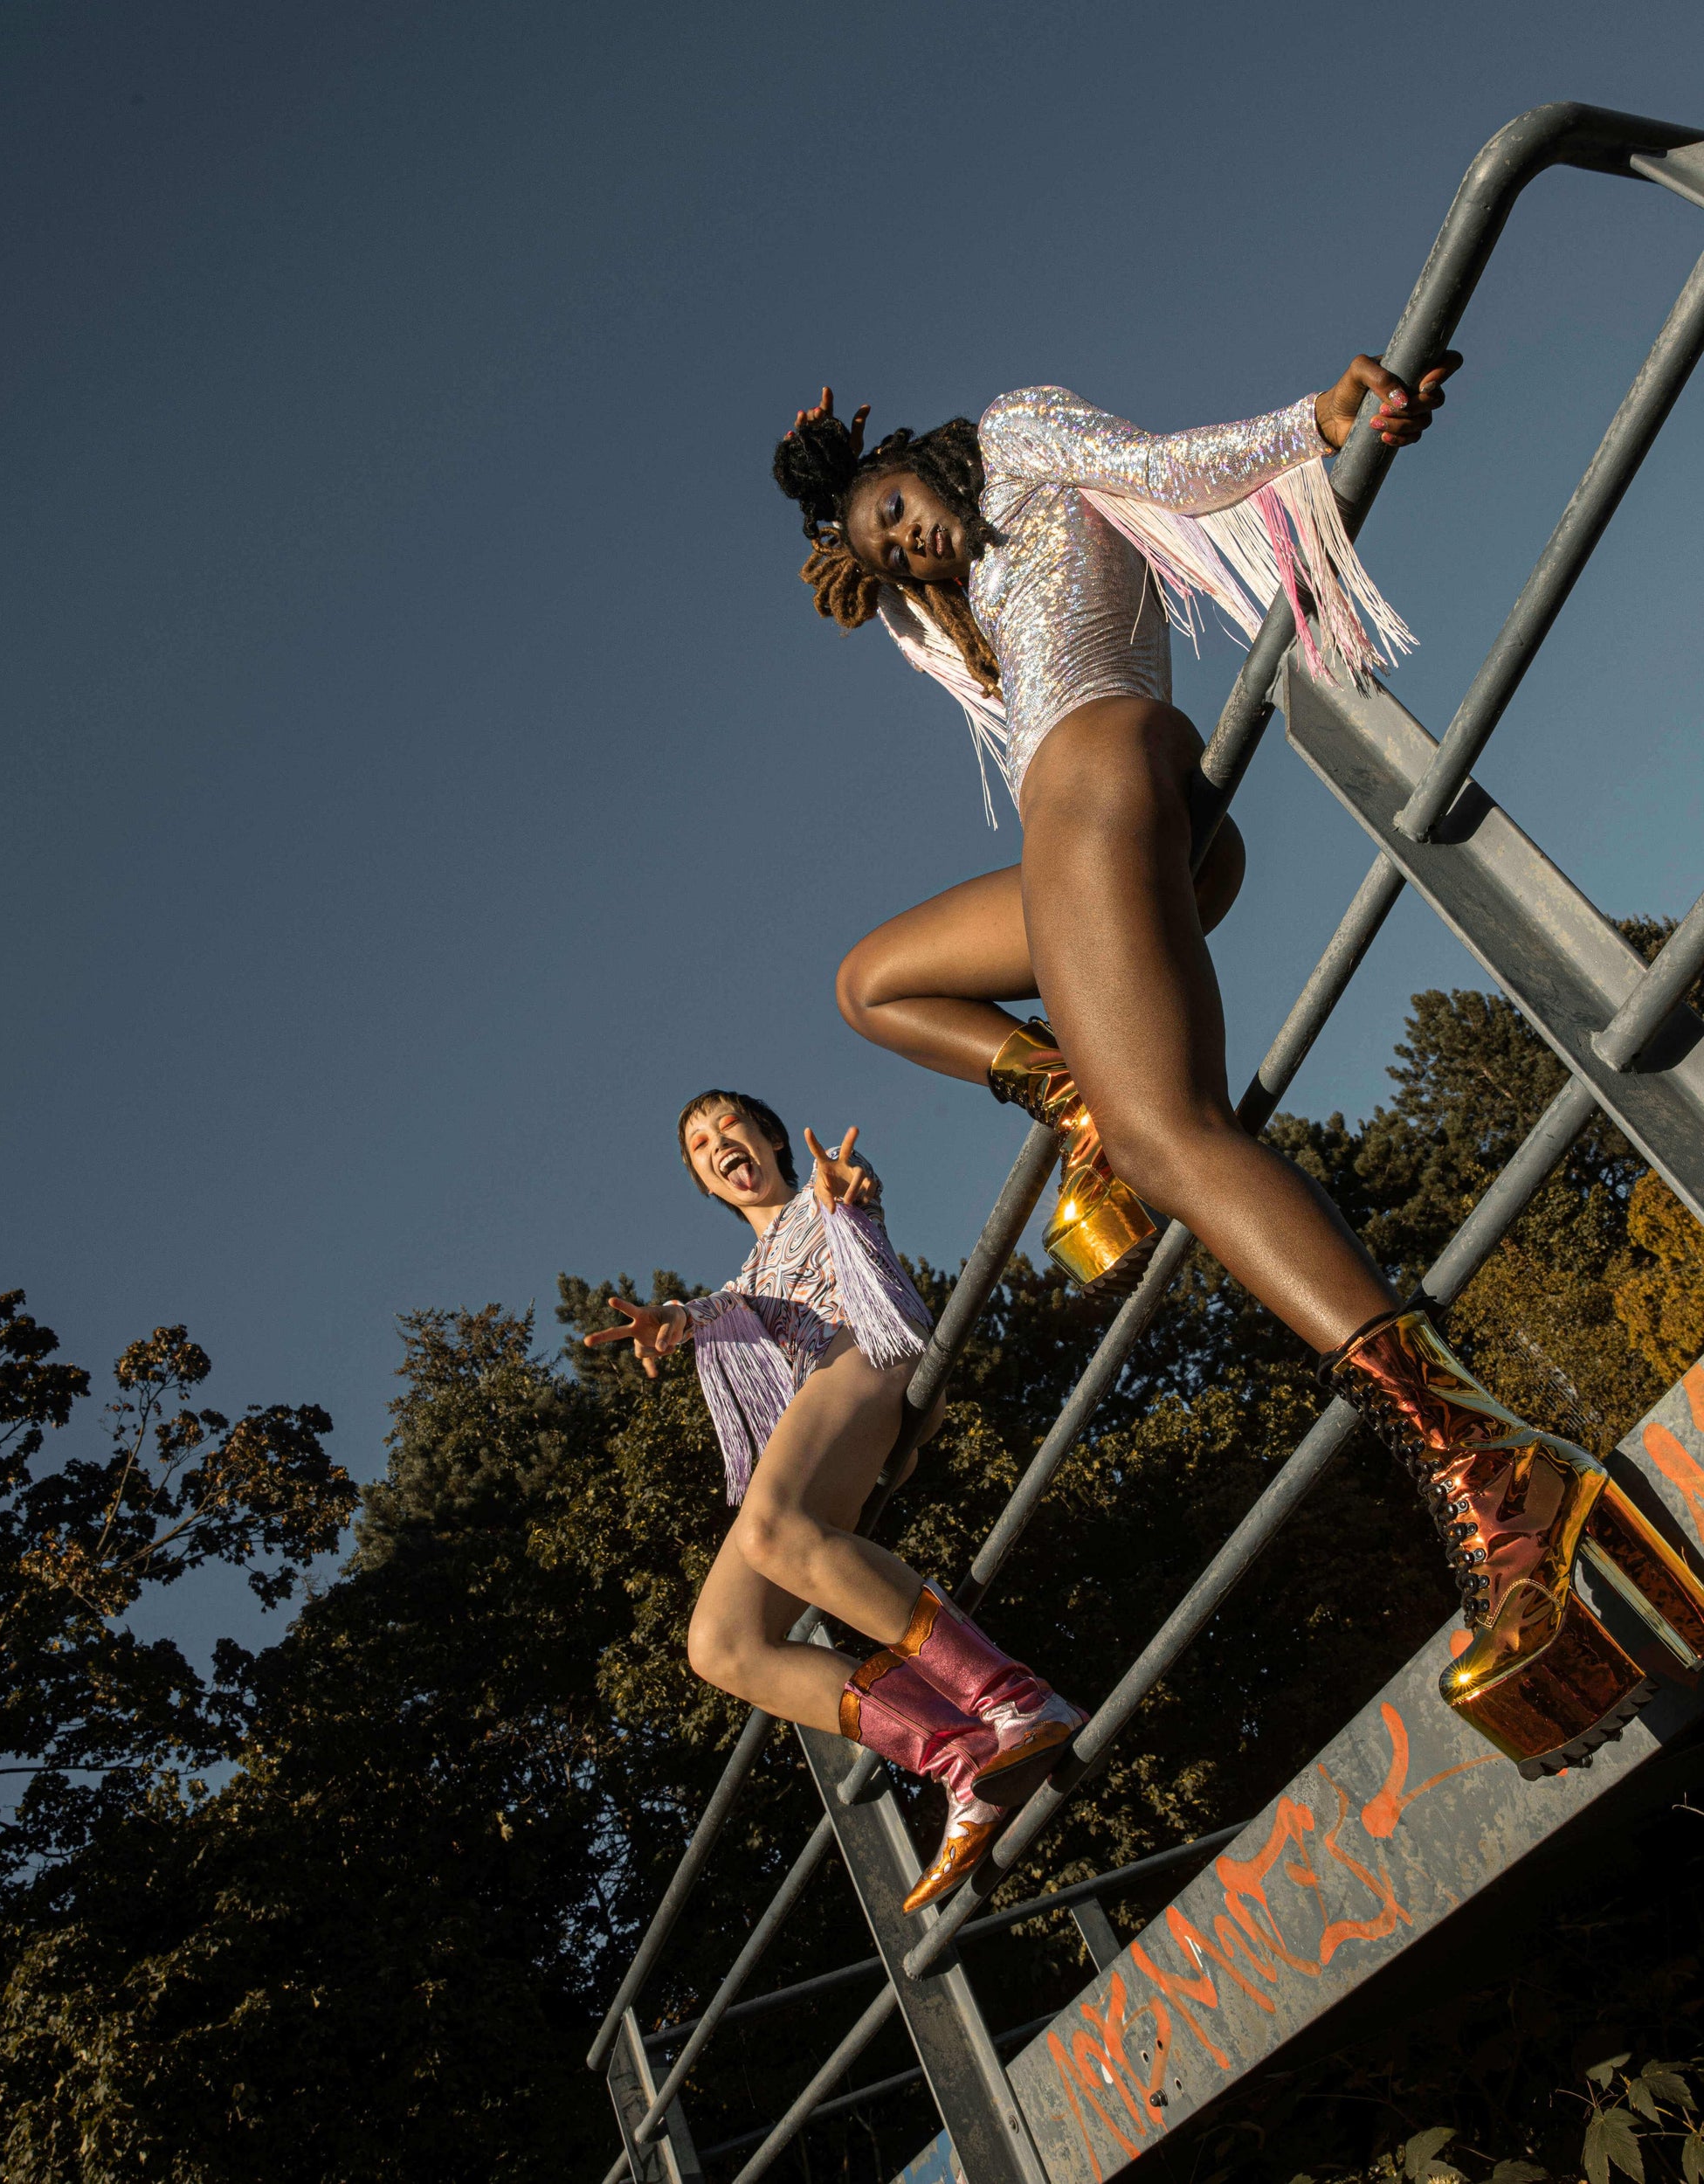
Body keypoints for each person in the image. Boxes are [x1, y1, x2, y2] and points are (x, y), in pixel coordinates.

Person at [769, 363, 1704, 1777]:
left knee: (1172, 1142)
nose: (908, 547)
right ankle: (1077, 1097)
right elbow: (914, 594)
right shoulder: (957, 596)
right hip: (1082, 820)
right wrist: (835, 532)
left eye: (898, 513)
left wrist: (1317, 432)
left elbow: (1162, 467)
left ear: (922, 457)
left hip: (1101, 778)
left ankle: (1485, 1466)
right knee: (873, 981)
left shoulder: (1014, 438)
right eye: (887, 552)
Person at [584, 1089, 1085, 1910]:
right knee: (720, 1643)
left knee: (773, 1522)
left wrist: (851, 1191)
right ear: (708, 1186)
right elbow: (704, 1312)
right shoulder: (741, 1286)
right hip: (824, 1404)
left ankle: (1018, 1701)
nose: (718, 1145)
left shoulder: (821, 1191)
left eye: (728, 1126)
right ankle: (961, 1758)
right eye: (700, 1146)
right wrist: (672, 1319)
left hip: (867, 1349)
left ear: (771, 1138)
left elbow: (850, 1197)